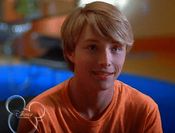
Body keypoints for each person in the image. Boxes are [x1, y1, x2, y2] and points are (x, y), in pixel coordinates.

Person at [17, 1, 163, 132]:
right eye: (93, 47)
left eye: (116, 48)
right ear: (70, 51)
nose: (106, 61)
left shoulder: (144, 111)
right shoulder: (39, 115)